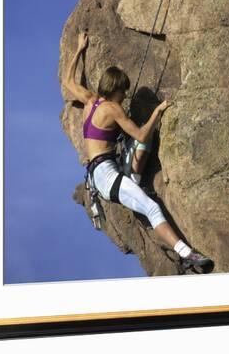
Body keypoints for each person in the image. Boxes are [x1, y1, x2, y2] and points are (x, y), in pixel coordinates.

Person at [62, 31, 212, 272]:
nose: (124, 97)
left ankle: (135, 180)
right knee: (151, 207)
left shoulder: (91, 100)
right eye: (123, 92)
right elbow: (141, 133)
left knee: (142, 146)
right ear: (116, 90)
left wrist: (80, 49)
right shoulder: (112, 109)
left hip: (104, 170)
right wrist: (158, 111)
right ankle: (186, 254)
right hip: (106, 176)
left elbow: (68, 81)